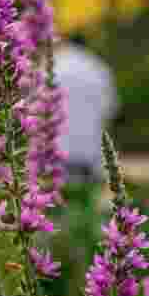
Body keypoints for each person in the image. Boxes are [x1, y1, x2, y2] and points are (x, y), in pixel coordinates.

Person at [53, 30, 118, 186]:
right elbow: (111, 109)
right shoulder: (99, 68)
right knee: (86, 200)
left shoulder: (55, 65)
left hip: (58, 149)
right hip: (90, 150)